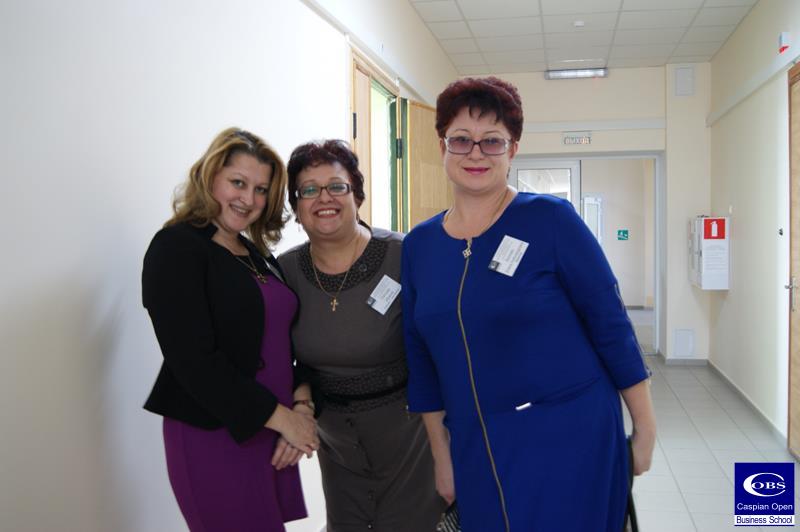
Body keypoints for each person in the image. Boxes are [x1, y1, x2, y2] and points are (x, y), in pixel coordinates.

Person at [401, 77, 657, 532]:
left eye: (492, 141)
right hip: (476, 443)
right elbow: (421, 362)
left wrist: (645, 430)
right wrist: (442, 457)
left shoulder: (550, 220)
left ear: (513, 150)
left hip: (570, 438)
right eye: (461, 139)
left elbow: (611, 326)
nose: (475, 153)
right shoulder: (421, 245)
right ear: (442, 146)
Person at [141, 127, 319, 532]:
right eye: (238, 182)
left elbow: (285, 343)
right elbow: (192, 360)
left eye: (261, 189)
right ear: (210, 177)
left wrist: (301, 407)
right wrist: (283, 419)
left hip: (271, 431)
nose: (248, 199)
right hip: (213, 432)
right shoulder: (176, 247)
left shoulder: (255, 254)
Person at [276, 140, 445, 531]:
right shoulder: (286, 272)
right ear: (297, 207)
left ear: (357, 195)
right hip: (336, 444)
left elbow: (440, 342)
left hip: (409, 437)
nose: (324, 198)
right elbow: (281, 356)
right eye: (309, 189)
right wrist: (299, 407)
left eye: (337, 186)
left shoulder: (403, 255)